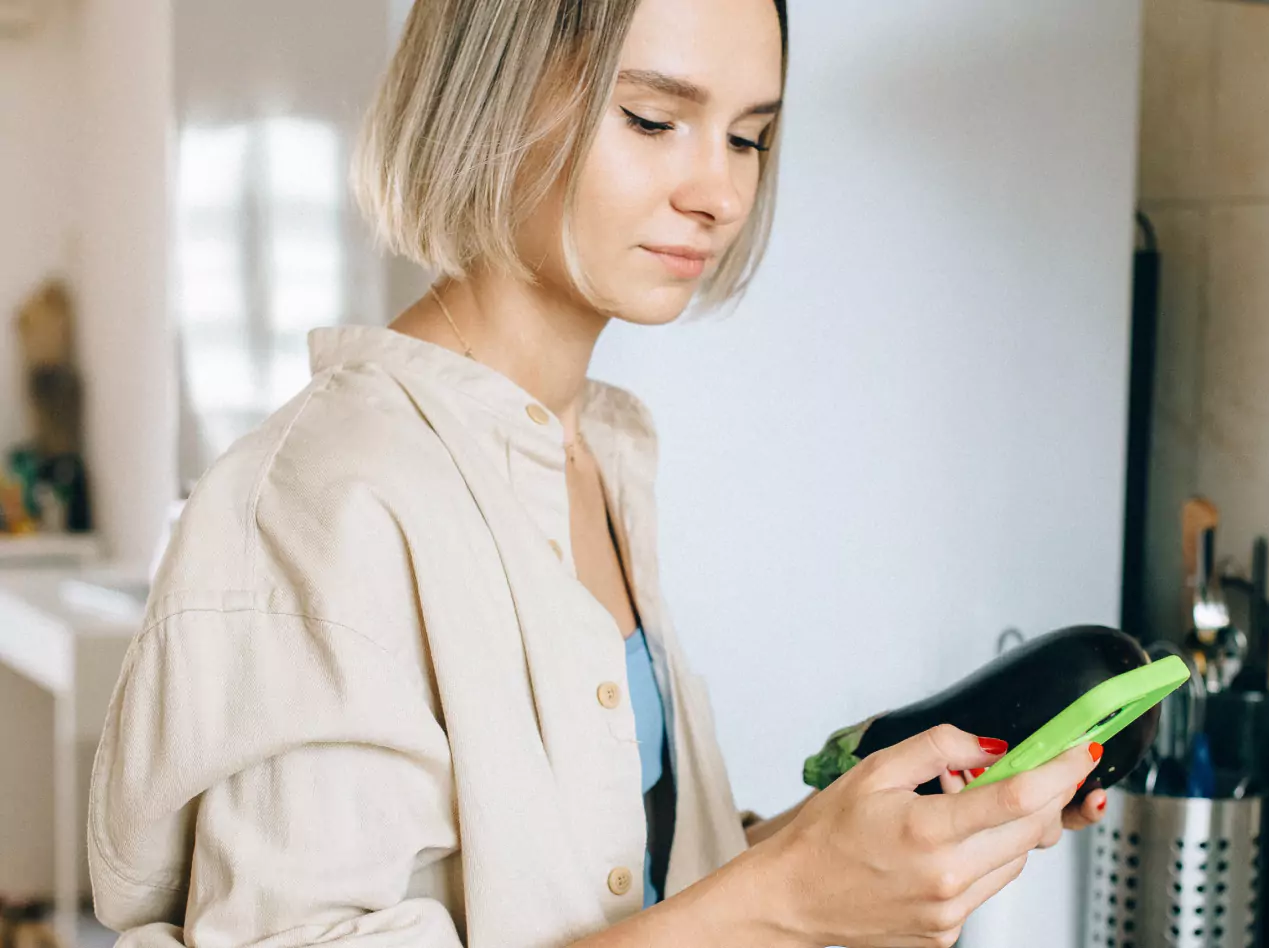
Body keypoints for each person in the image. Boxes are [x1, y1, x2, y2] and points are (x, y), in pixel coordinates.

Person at [87, 1, 1108, 946]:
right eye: (654, 119)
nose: (719, 192)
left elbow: (614, 896)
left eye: (749, 136)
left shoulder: (594, 454)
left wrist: (848, 847)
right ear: (487, 93)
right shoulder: (327, 497)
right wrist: (783, 897)